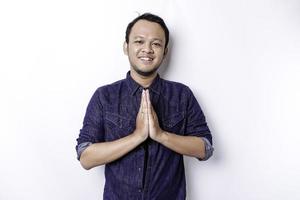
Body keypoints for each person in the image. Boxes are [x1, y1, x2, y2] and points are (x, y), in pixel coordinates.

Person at [76, 13, 214, 200]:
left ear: (165, 52)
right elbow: (86, 156)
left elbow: (205, 148)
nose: (147, 49)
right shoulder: (104, 96)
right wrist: (137, 136)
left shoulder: (182, 95)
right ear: (126, 47)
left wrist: (161, 135)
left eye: (156, 44)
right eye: (139, 41)